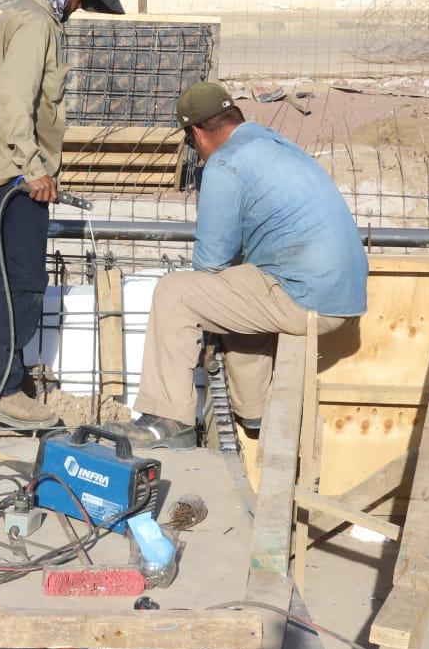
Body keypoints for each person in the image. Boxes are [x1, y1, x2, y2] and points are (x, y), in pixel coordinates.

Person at [108, 82, 369, 450]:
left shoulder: (226, 163)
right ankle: (256, 412)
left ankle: (167, 420)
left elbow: (209, 264)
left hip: (307, 297)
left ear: (197, 133)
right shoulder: (275, 144)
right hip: (340, 293)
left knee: (177, 294)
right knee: (240, 288)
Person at [0, 0, 124, 429]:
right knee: (23, 283)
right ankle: (4, 390)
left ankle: (1, 378)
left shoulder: (24, 13)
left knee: (6, 280)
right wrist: (34, 169)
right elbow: (15, 103)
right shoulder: (37, 25)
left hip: (8, 170)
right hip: (17, 175)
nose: (80, 7)